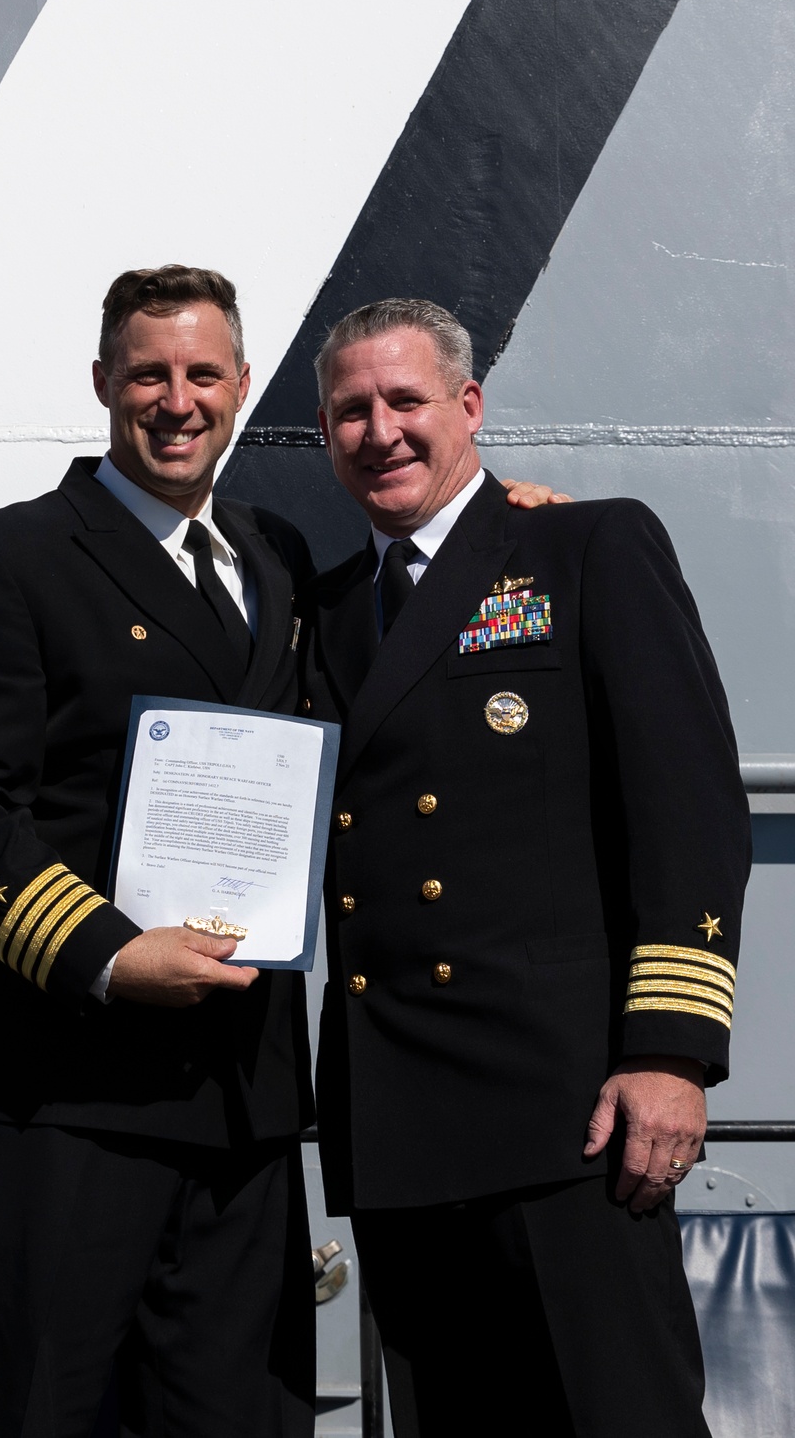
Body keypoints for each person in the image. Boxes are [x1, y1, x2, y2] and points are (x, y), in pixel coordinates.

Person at [0, 263, 566, 1436]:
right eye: (148, 374)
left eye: (203, 374)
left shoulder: (278, 562)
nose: (176, 399)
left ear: (242, 386)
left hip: (246, 1109)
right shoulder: (10, 559)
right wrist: (107, 953)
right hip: (72, 1100)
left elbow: (393, 656)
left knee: (242, 1421)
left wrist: (505, 544)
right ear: (103, 383)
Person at [304, 297, 751, 1438]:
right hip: (402, 1127)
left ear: (468, 406)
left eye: (405, 401)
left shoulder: (582, 546)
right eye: (350, 411)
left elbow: (688, 808)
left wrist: (670, 1053)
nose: (380, 431)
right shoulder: (323, 617)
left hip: (568, 1119)